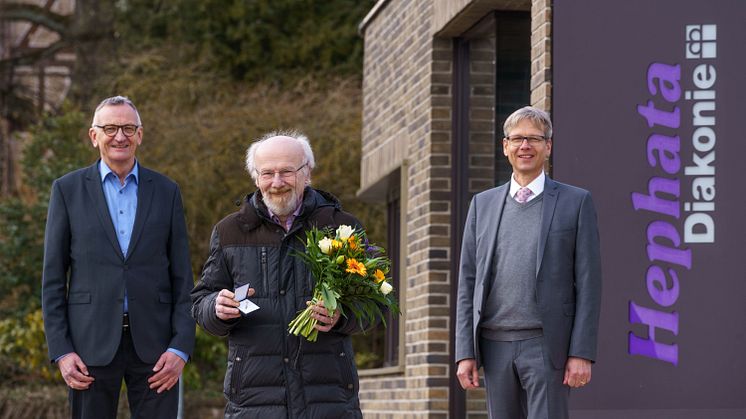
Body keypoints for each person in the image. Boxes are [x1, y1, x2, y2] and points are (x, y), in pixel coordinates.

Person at [191, 131, 370, 418]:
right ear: (255, 177)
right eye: (268, 173)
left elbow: (374, 304)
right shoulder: (229, 231)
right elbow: (200, 303)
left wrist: (342, 316)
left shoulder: (341, 227)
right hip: (254, 400)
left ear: (307, 173)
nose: (277, 183)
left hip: (328, 399)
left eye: (287, 172)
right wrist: (216, 307)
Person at [41, 96, 195, 418]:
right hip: (88, 348)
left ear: (140, 135)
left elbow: (183, 277)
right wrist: (62, 351)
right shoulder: (67, 190)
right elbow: (53, 280)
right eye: (110, 128)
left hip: (157, 349)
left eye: (127, 128)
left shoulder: (167, 191)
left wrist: (180, 347)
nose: (119, 136)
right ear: (93, 136)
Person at [455, 106, 602, 419]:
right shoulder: (483, 204)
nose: (525, 146)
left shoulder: (575, 202)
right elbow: (468, 282)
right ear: (505, 146)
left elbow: (589, 283)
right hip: (494, 345)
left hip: (547, 345)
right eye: (518, 139)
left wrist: (581, 352)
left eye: (534, 139)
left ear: (548, 147)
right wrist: (465, 352)